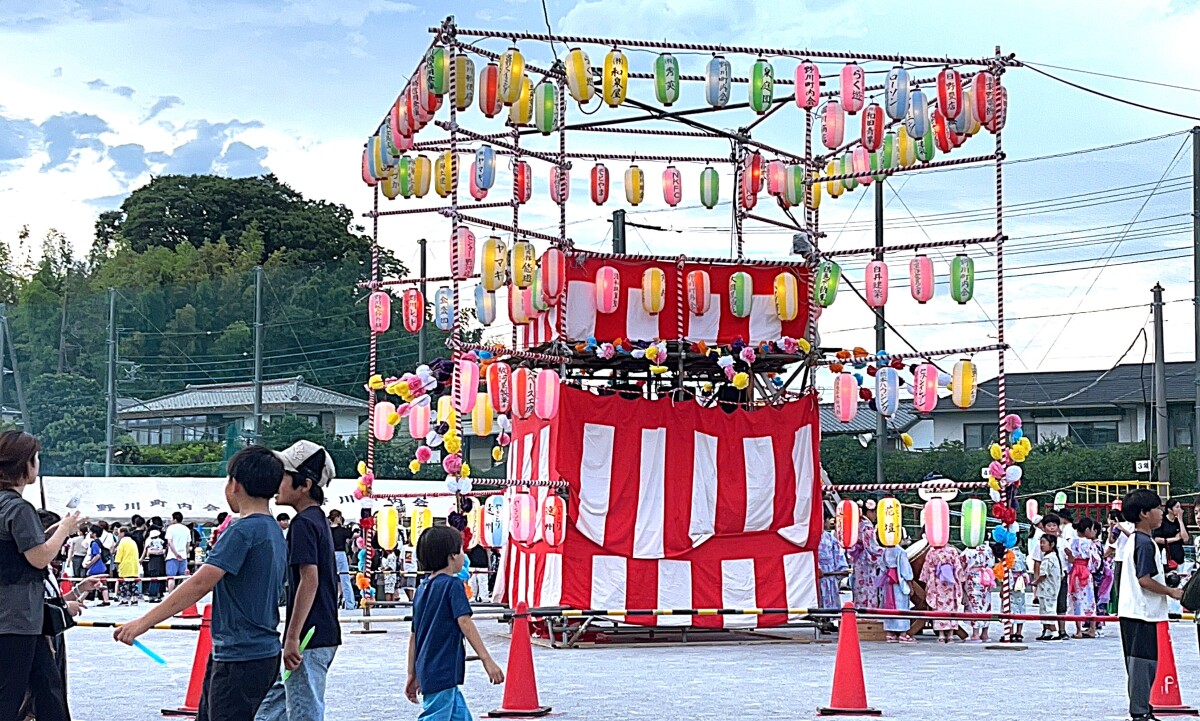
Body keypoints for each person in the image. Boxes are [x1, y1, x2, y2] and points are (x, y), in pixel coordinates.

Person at [116, 446, 288, 721]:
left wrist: (142, 623)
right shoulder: (273, 531)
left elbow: (199, 584)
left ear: (234, 484)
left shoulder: (241, 531)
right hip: (260, 652)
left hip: (239, 655)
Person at [0, 430, 87, 721]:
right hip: (18, 616)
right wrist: (65, 528)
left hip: (20, 617)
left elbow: (15, 551)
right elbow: (38, 558)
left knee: (47, 684)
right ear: (25, 465)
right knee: (13, 693)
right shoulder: (18, 507)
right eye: (36, 458)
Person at [255, 440, 341, 721]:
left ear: (304, 485)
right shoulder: (318, 520)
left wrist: (292, 636)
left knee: (304, 711)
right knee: (276, 706)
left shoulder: (303, 524)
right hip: (319, 631)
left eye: (284, 477)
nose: (277, 483)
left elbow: (309, 580)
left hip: (309, 636)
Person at [405, 526, 504, 719]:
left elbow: (414, 636)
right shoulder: (453, 585)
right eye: (460, 551)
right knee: (436, 715)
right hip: (443, 668)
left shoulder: (422, 589)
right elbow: (465, 622)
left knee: (459, 715)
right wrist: (486, 659)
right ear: (452, 557)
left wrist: (412, 672)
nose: (463, 556)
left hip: (429, 668)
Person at [1118, 489, 1182, 721]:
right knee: (1142, 666)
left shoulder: (1138, 540)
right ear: (1144, 513)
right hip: (1141, 613)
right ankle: (1140, 712)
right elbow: (1144, 580)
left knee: (1142, 665)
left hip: (1136, 612)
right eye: (1158, 509)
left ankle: (1142, 708)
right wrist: (1171, 591)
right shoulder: (1144, 543)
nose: (1162, 514)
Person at [1030, 512, 1068, 640]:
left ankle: (1061, 630)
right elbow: (1037, 562)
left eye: (1054, 525)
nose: (1052, 528)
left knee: (1060, 604)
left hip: (1060, 577)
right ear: (1043, 527)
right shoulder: (1040, 543)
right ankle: (1047, 629)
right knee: (1045, 605)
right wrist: (1036, 580)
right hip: (1045, 580)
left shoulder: (1063, 542)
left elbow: (1070, 558)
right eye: (1049, 525)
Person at [919, 540, 963, 644]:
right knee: (951, 607)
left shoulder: (932, 552)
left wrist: (927, 580)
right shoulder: (952, 551)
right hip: (950, 582)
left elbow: (927, 568)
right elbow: (958, 568)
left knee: (939, 607)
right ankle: (951, 634)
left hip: (937, 581)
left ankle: (941, 634)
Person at [1065, 516, 1100, 638]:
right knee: (1090, 599)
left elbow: (1068, 558)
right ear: (1087, 530)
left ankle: (1079, 630)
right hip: (1085, 571)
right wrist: (1092, 569)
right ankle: (1092, 628)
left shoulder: (1071, 542)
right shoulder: (1090, 543)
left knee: (1077, 600)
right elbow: (1096, 560)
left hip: (1075, 571)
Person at [846, 499, 885, 610]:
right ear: (869, 512)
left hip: (858, 560)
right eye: (875, 512)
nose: (876, 516)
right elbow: (871, 547)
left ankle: (859, 610)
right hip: (866, 560)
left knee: (859, 587)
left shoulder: (857, 524)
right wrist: (885, 552)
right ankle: (868, 612)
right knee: (868, 588)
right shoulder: (867, 526)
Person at [880, 544, 914, 643]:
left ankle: (890, 633)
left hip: (888, 580)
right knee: (901, 606)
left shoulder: (885, 550)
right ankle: (903, 633)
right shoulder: (901, 551)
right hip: (898, 581)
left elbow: (882, 566)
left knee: (889, 605)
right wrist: (910, 583)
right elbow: (905, 570)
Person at [962, 541, 995, 642]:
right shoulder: (988, 549)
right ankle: (985, 633)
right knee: (986, 604)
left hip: (973, 578)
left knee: (975, 605)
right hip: (986, 578)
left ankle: (975, 633)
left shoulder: (967, 552)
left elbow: (963, 565)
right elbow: (992, 563)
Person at [816, 511, 849, 610]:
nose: (828, 523)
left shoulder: (830, 537)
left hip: (830, 572)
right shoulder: (812, 538)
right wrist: (816, 568)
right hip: (819, 573)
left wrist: (843, 568)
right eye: (826, 520)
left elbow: (837, 553)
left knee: (832, 599)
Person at [1034, 534, 1062, 642]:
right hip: (1052, 589)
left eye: (1044, 543)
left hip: (1046, 589)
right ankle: (1049, 632)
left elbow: (1043, 575)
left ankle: (1054, 632)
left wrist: (1035, 582)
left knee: (1047, 610)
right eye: (1041, 542)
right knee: (1047, 609)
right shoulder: (1054, 557)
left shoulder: (1048, 559)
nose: (1041, 545)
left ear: (1052, 544)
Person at [328, 510, 356, 611]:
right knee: (345, 579)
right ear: (338, 518)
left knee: (329, 580)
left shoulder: (327, 530)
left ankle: (331, 604)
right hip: (340, 553)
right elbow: (352, 534)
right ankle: (350, 604)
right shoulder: (342, 530)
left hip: (329, 555)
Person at [1154, 497, 1190, 571]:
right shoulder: (1162, 521)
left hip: (1179, 557)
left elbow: (1186, 539)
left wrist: (1180, 520)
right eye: (1177, 507)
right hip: (1166, 558)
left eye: (1180, 507)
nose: (1180, 509)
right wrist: (1175, 539)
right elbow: (1156, 539)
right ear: (1170, 509)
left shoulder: (1179, 522)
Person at [81, 525, 111, 606]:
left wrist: (89, 564)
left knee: (89, 583)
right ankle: (106, 600)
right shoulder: (99, 542)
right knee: (102, 583)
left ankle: (81, 599)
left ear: (94, 533)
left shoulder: (94, 543)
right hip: (101, 566)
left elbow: (97, 555)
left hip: (95, 567)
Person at [114, 526, 141, 606]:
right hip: (134, 566)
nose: (118, 535)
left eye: (119, 533)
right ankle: (134, 600)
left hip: (125, 566)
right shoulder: (133, 541)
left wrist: (117, 563)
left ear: (123, 533)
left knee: (124, 585)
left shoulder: (122, 542)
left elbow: (119, 554)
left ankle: (124, 600)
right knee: (133, 585)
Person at [165, 511, 192, 592]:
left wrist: (176, 554)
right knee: (184, 577)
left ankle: (170, 596)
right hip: (183, 556)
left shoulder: (170, 528)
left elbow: (169, 542)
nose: (171, 520)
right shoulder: (186, 529)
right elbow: (188, 544)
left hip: (172, 556)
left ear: (175, 519)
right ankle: (182, 595)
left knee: (171, 577)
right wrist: (185, 554)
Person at [142, 528, 167, 603]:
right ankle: (155, 595)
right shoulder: (159, 542)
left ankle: (154, 595)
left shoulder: (149, 542)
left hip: (153, 562)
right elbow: (163, 551)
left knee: (155, 578)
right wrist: (160, 552)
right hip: (158, 561)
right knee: (156, 579)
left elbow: (148, 553)